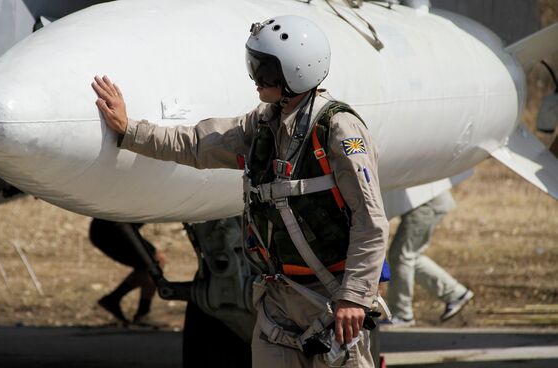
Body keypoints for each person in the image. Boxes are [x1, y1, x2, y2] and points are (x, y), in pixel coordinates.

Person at [92, 15, 388, 368]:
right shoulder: (263, 124)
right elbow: (197, 144)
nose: (255, 79)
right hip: (279, 301)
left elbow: (370, 222)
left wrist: (354, 298)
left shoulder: (339, 130)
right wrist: (129, 130)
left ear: (293, 73)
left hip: (332, 301)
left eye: (263, 71)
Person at [384, 191, 474, 327]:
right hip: (430, 201)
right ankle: (455, 294)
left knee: (402, 256)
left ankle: (402, 315)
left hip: (427, 203)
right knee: (407, 257)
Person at [89, 219, 165, 325]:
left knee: (148, 265)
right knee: (154, 261)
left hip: (112, 228)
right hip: (113, 229)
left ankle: (113, 300)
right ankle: (142, 313)